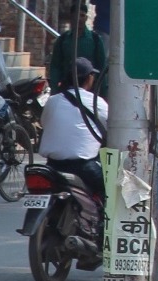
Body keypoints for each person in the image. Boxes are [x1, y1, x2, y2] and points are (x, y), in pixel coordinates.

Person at [39, 57, 107, 198]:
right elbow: (111, 128)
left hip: (53, 166)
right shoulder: (97, 102)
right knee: (110, 191)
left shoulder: (53, 101)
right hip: (83, 168)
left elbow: (45, 123)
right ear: (89, 78)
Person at [47, 1, 106, 93]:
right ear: (71, 17)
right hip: (67, 89)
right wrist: (54, 89)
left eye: (82, 16)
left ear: (86, 18)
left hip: (89, 90)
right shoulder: (63, 40)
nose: (79, 19)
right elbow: (55, 66)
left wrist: (103, 92)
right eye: (76, 16)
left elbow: (102, 67)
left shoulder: (95, 40)